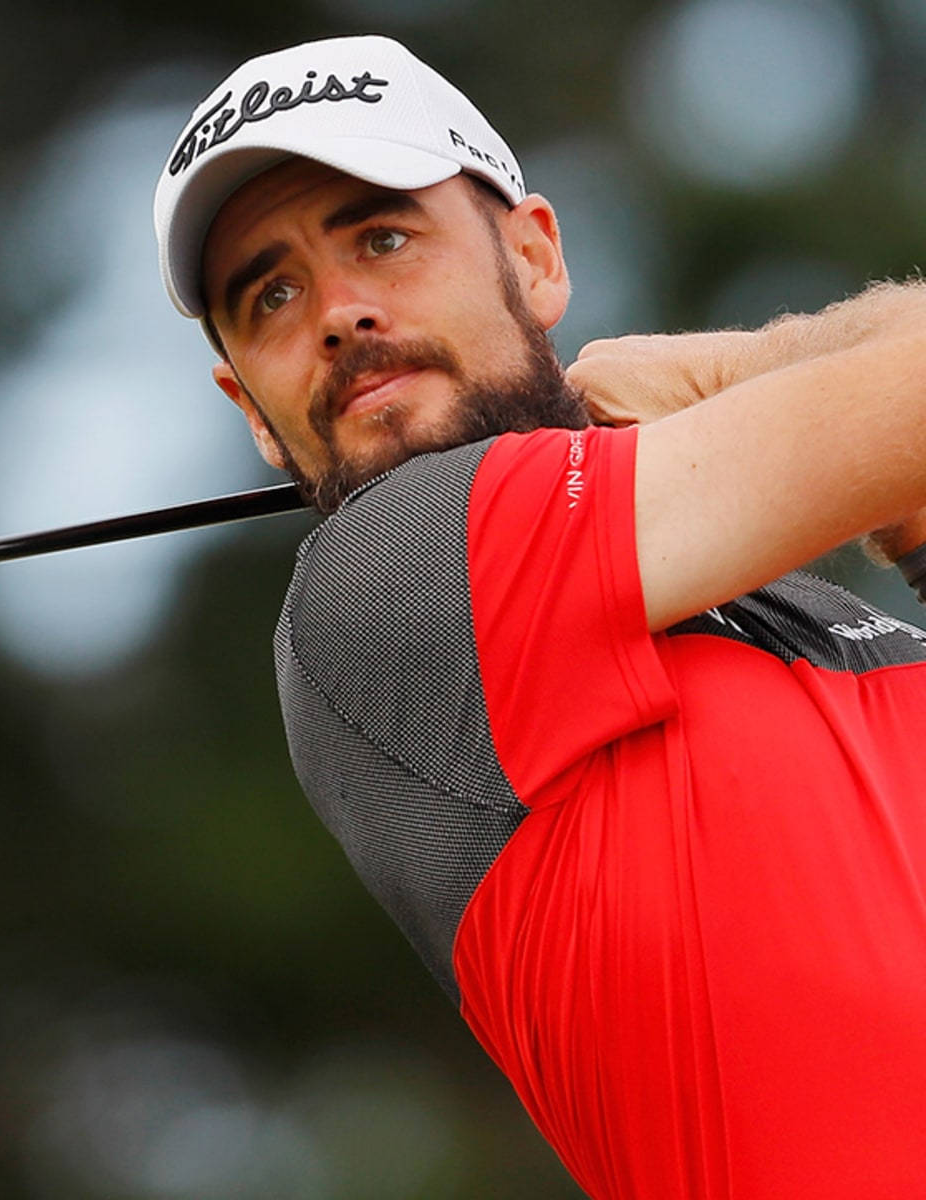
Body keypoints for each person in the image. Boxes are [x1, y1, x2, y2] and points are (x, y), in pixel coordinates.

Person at [153, 34, 926, 1199]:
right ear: (253, 415)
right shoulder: (394, 576)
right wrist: (734, 372)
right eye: (271, 294)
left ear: (534, 255)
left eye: (383, 237)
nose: (339, 314)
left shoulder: (812, 616)